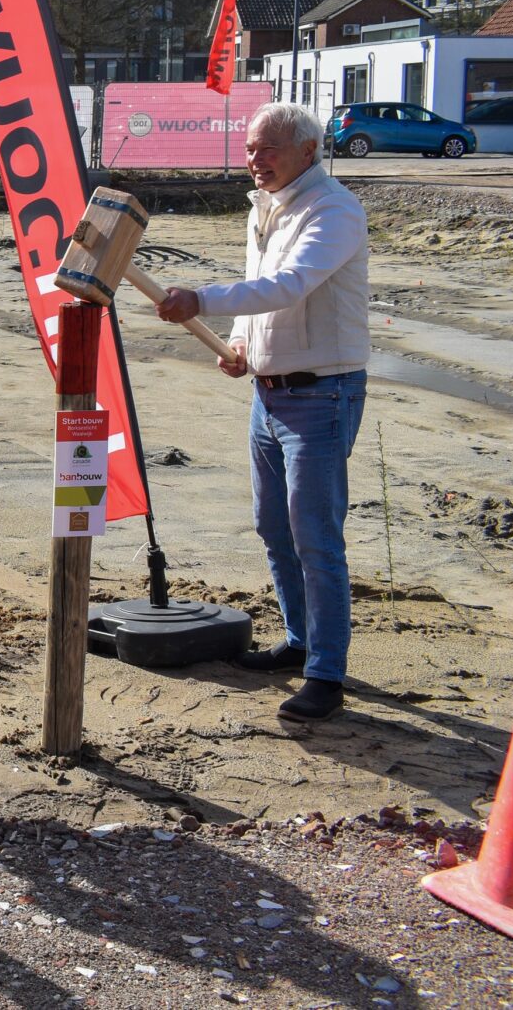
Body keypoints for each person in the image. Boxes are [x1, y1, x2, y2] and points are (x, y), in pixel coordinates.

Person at [158, 101, 368, 722]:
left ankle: (326, 673)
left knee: (315, 537)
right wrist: (245, 345)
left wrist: (203, 297)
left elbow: (291, 284)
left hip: (322, 395)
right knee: (273, 528)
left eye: (268, 149)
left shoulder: (333, 210)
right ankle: (300, 642)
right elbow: (266, 295)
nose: (256, 160)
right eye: (251, 149)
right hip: (270, 392)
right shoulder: (267, 210)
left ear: (308, 150)